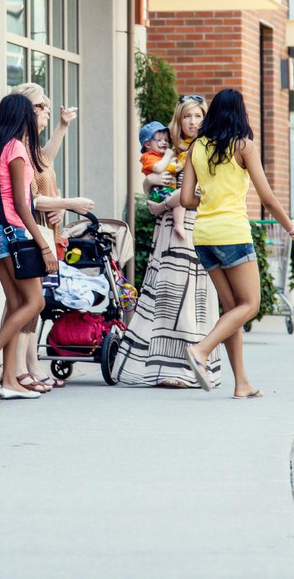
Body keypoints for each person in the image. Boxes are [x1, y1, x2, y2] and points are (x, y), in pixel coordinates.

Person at [179, 88, 294, 398]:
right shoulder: (243, 146)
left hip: (204, 236)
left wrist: (210, 202)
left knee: (232, 309)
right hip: (233, 234)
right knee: (251, 305)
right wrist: (293, 231)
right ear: (240, 114)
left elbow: (185, 199)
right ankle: (201, 350)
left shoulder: (196, 147)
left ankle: (241, 383)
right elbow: (267, 198)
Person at [112, 94, 222, 389]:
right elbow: (150, 198)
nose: (193, 122)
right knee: (167, 295)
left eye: (198, 116)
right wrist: (151, 188)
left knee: (192, 296)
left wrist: (166, 203)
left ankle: (188, 368)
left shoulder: (210, 150)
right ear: (179, 120)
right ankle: (163, 369)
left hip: (197, 228)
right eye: (187, 116)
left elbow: (204, 195)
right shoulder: (170, 151)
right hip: (168, 231)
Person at [0, 93, 59, 399]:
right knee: (35, 303)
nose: (36, 117)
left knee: (17, 304)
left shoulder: (1, 147)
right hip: (12, 231)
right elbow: (22, 203)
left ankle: (8, 380)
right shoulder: (17, 147)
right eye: (32, 112)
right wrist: (42, 243)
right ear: (23, 117)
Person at [9, 83, 93, 392]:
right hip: (30, 234)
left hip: (45, 234)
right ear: (25, 111)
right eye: (40, 106)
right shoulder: (16, 147)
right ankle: (17, 369)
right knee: (28, 302)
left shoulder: (30, 148)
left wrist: (62, 126)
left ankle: (29, 365)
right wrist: (66, 203)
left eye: (46, 105)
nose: (45, 110)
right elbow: (28, 200)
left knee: (34, 303)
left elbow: (45, 166)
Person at [139, 120, 187, 240]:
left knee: (180, 199)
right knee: (181, 198)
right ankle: (179, 224)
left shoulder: (159, 156)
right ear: (147, 145)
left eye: (166, 140)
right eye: (159, 140)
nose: (164, 143)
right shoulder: (149, 156)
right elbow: (159, 168)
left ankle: (178, 224)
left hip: (162, 190)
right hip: (158, 191)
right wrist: (168, 155)